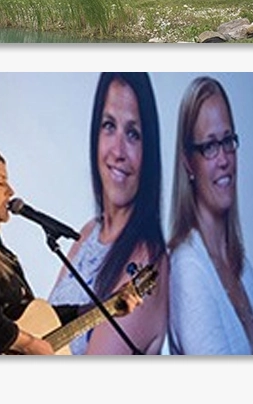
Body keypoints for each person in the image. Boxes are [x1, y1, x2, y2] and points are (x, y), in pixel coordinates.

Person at [0, 143, 139, 355]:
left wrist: (102, 308)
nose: (11, 191)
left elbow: (38, 321)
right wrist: (28, 344)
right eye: (1, 182)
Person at [48, 72, 168, 354]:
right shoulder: (89, 232)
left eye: (133, 134)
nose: (118, 151)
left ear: (149, 150)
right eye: (109, 126)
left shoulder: (148, 261)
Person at [168, 76, 253, 354]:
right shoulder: (188, 269)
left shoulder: (238, 263)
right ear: (188, 162)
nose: (223, 159)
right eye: (209, 146)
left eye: (228, 140)